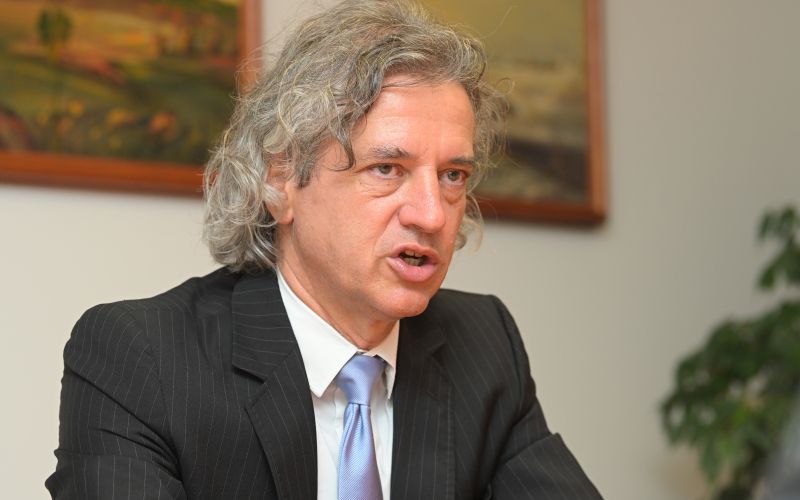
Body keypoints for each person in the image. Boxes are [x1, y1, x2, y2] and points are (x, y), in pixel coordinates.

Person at [46, 1, 602, 498]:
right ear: (281, 180)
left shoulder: (483, 346)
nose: (432, 215)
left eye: (452, 175)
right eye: (387, 168)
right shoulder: (142, 359)